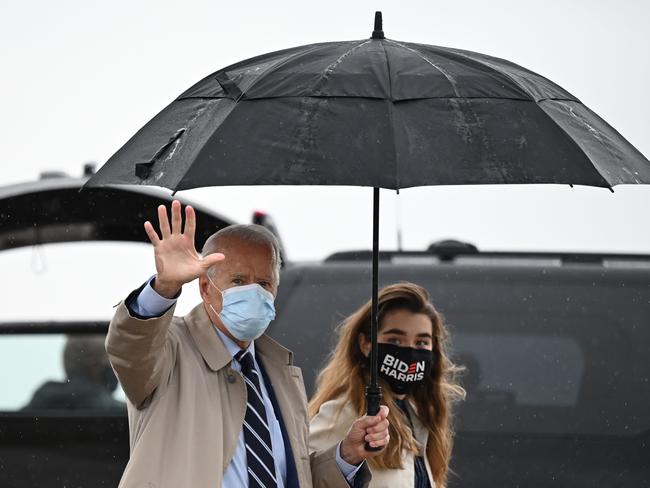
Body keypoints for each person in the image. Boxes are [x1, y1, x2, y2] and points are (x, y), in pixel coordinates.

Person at [105, 200, 390, 488]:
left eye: (264, 283)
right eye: (239, 280)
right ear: (205, 287)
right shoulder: (172, 347)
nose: (253, 291)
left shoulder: (279, 371)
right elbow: (130, 350)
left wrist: (346, 456)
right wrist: (164, 288)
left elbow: (290, 476)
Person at [309, 283, 465, 488]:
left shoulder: (419, 415)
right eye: (395, 340)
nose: (410, 351)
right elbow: (302, 475)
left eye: (421, 343)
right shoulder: (344, 411)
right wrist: (347, 456)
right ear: (366, 344)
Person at [24, 335, 124, 411]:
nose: (117, 371)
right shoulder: (125, 416)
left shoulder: (34, 407)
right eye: (112, 363)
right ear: (95, 367)